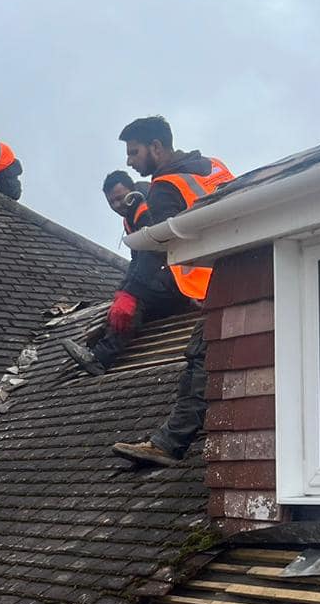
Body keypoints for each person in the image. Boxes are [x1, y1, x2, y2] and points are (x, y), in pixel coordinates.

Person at [95, 116, 236, 468]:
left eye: (134, 152)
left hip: (220, 285)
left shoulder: (163, 188)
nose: (130, 162)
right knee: (197, 358)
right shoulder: (212, 166)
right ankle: (169, 440)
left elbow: (156, 246)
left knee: (202, 361)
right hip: (243, 270)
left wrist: (130, 294)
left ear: (156, 147)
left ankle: (170, 444)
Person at [61, 170, 196, 377]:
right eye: (111, 202)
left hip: (182, 277)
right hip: (171, 276)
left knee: (134, 303)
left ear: (131, 190)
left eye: (119, 198)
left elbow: (151, 254)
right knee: (124, 305)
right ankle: (98, 344)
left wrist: (131, 294)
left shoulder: (144, 208)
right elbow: (136, 259)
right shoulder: (130, 216)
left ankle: (101, 357)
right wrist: (122, 290)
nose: (117, 206)